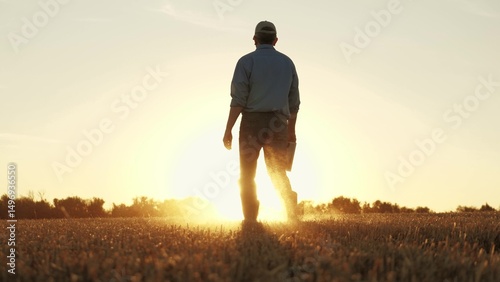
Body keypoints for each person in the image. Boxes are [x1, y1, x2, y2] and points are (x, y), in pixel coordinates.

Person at [223, 20, 301, 222]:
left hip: (251, 123)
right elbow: (294, 103)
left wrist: (228, 129)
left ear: (254, 39)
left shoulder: (246, 62)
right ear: (275, 40)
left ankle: (250, 218)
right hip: (278, 124)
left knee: (247, 174)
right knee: (277, 172)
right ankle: (291, 211)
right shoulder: (287, 63)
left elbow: (238, 100)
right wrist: (291, 131)